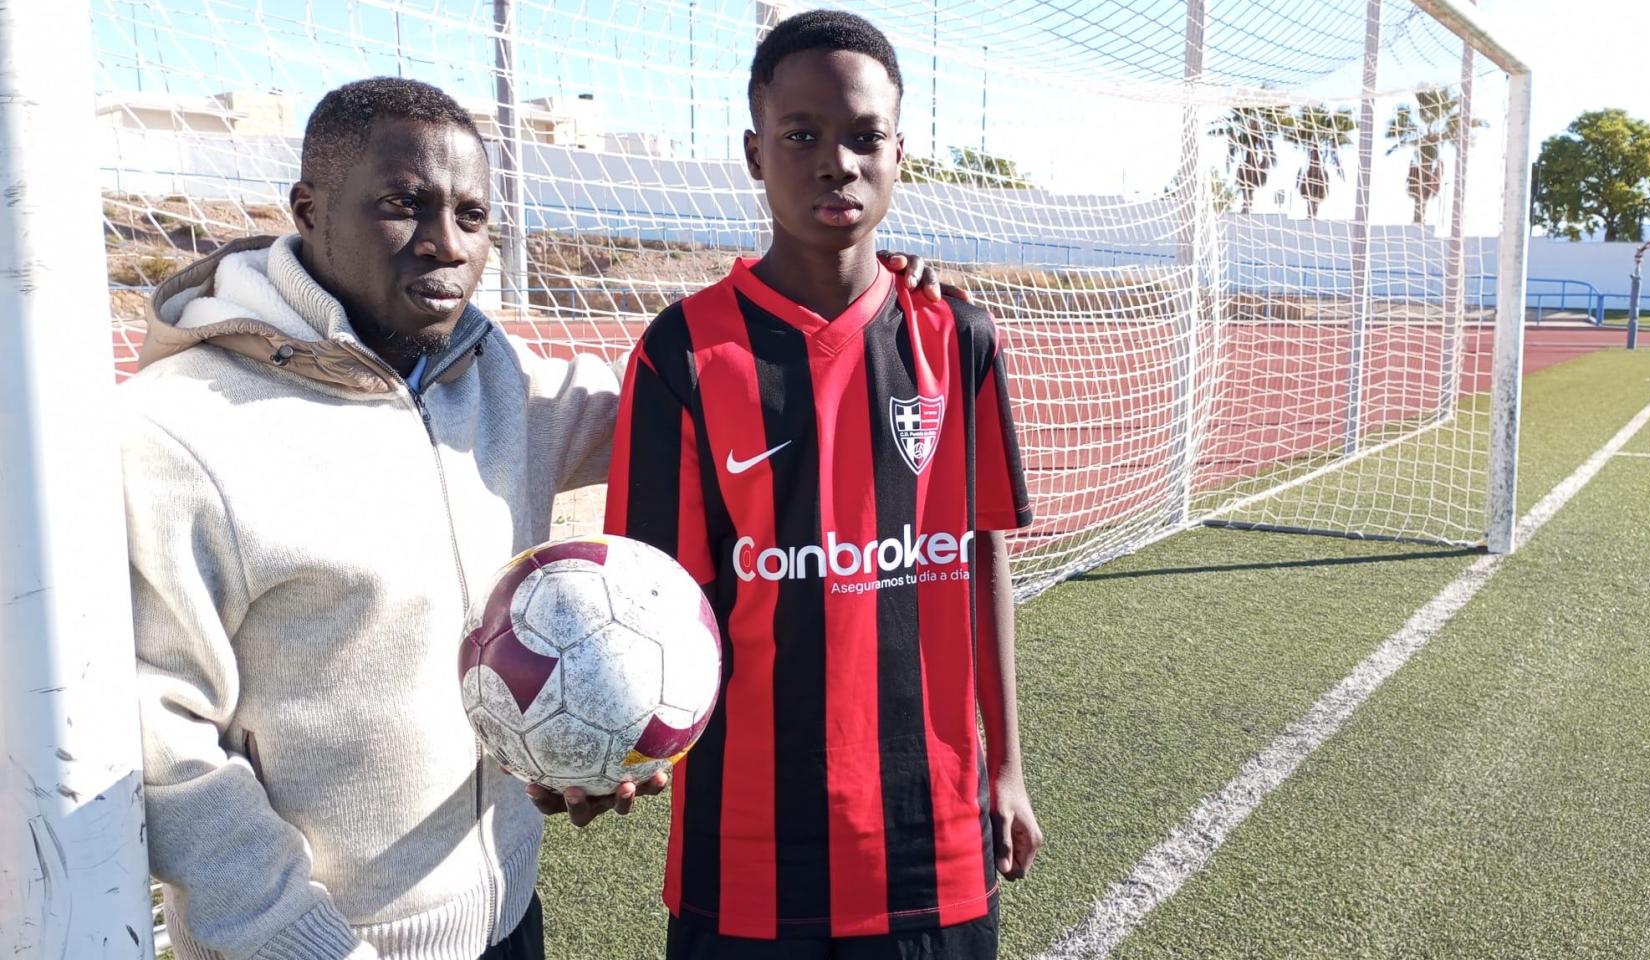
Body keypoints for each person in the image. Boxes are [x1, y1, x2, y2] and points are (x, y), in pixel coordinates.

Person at [124, 75, 955, 960]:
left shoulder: (498, 380)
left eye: (473, 216)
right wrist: (306, 944)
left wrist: (856, 294)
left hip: (508, 923)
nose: (446, 245)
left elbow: (691, 393)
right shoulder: (180, 431)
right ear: (309, 209)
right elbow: (159, 739)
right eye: (404, 205)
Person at [603, 11, 1044, 959]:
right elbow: (645, 606)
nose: (834, 161)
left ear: (898, 153)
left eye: (862, 136)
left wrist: (1006, 765)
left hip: (934, 846)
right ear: (756, 153)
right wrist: (620, 750)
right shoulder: (682, 353)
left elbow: (981, 555)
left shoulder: (958, 336)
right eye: (801, 136)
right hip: (746, 853)